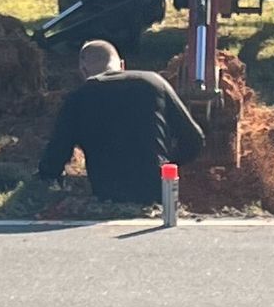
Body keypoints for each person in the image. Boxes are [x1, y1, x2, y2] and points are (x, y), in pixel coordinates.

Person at [36, 40, 206, 208]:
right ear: (122, 65)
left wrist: (43, 184)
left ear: (83, 70)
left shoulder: (79, 98)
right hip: (153, 192)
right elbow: (194, 139)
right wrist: (167, 166)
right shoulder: (153, 83)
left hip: (107, 195)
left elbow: (56, 155)